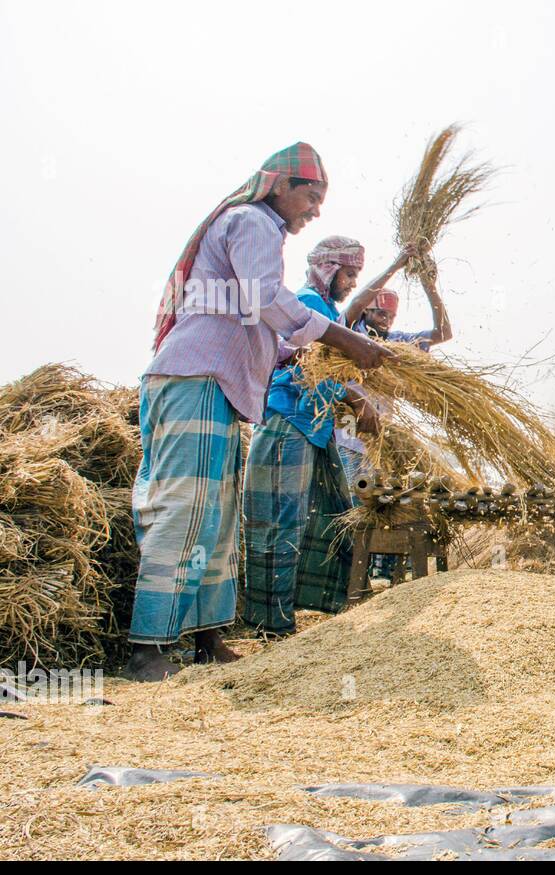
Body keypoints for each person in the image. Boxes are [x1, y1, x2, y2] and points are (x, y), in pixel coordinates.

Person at [126, 143, 389, 681]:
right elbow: (265, 298)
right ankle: (147, 647)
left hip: (218, 390)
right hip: (193, 378)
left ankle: (206, 638)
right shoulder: (252, 221)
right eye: (311, 196)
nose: (315, 210)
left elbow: (274, 330)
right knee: (186, 506)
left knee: (215, 516)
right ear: (279, 186)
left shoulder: (258, 228)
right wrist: (345, 339)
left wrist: (338, 362)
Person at [240, 235, 409, 635]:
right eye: (349, 273)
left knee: (326, 518)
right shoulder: (309, 304)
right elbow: (318, 356)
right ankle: (271, 625)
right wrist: (356, 399)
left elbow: (327, 369)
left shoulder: (325, 308)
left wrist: (355, 400)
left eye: (356, 275)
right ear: (328, 269)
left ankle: (324, 604)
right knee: (281, 523)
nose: (352, 281)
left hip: (314, 432)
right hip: (289, 424)